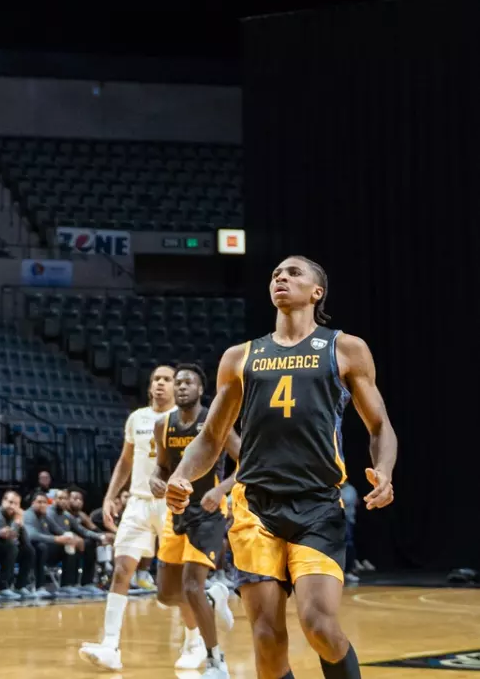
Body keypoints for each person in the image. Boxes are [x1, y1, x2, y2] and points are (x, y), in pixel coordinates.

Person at [168, 256, 397, 679]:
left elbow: (379, 424)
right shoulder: (240, 357)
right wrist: (182, 475)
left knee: (319, 625)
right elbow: (212, 436)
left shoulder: (344, 348)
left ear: (317, 292)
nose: (281, 277)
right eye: (276, 273)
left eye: (293, 273)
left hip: (318, 504)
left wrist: (384, 469)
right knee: (267, 642)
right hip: (256, 508)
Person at [80, 364, 177, 670]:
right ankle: (110, 645)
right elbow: (125, 460)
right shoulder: (137, 418)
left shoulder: (183, 418)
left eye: (167, 379)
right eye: (156, 379)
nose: (160, 383)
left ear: (176, 386)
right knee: (122, 569)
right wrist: (110, 496)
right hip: (138, 502)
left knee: (178, 579)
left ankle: (196, 641)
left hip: (172, 502)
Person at [152, 363, 239, 679]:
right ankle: (212, 598)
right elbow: (162, 466)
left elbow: (247, 463)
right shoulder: (163, 425)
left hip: (208, 512)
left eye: (188, 382)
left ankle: (216, 661)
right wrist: (155, 479)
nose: (181, 386)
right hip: (176, 511)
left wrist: (220, 489)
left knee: (191, 586)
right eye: (178, 382)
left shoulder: (214, 422)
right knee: (166, 594)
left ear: (201, 389)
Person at [0, 488, 36, 599]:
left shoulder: (13, 516)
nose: (12, 506)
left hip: (7, 550)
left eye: (16, 504)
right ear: (3, 501)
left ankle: (21, 585)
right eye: (10, 502)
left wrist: (21, 525)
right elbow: (8, 538)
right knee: (12, 547)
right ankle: (2, 587)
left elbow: (25, 541)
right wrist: (17, 522)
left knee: (29, 550)